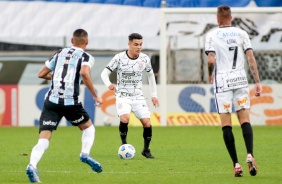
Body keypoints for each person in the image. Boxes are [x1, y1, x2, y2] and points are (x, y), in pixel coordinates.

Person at [26, 29, 103, 183]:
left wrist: (56, 77)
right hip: (70, 102)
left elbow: (41, 73)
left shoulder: (60, 53)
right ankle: (84, 154)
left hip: (52, 101)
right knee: (88, 128)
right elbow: (84, 73)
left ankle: (32, 165)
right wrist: (95, 94)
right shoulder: (86, 57)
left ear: (72, 41)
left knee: (44, 139)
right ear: (86, 42)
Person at [205, 5, 262, 177]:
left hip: (223, 81)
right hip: (240, 80)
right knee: (244, 119)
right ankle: (250, 154)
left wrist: (210, 74)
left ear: (217, 18)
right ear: (231, 17)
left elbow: (210, 59)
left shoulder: (212, 35)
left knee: (226, 123)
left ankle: (236, 165)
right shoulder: (241, 33)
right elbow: (250, 57)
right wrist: (257, 81)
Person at [101, 33, 159, 159]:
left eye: (140, 44)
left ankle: (146, 149)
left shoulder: (144, 59)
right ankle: (124, 144)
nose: (139, 47)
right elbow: (104, 73)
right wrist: (109, 84)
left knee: (147, 123)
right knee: (125, 118)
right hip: (123, 95)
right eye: (136, 44)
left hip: (138, 96)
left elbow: (150, 76)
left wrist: (154, 95)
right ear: (129, 44)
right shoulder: (119, 58)